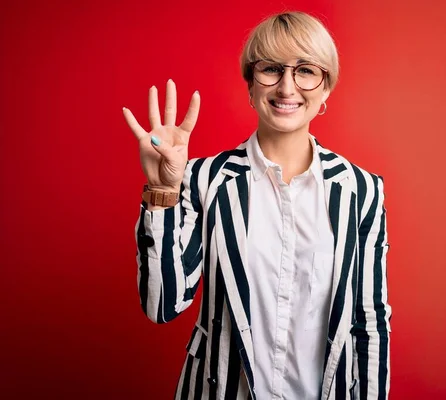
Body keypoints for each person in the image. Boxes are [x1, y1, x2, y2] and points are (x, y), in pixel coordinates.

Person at [123, 11, 391, 400]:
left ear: (326, 88)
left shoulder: (361, 190)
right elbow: (161, 304)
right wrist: (163, 190)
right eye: (270, 69)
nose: (287, 87)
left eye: (306, 71)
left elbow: (369, 322)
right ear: (251, 85)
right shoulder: (203, 179)